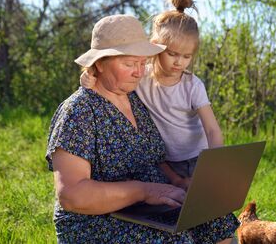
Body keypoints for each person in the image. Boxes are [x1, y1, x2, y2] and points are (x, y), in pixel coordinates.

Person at [46, 14, 238, 243]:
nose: (139, 72)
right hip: (98, 221)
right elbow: (72, 196)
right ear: (99, 63)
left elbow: (155, 159)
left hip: (146, 207)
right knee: (173, 239)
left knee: (217, 217)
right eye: (129, 64)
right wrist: (145, 191)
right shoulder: (78, 112)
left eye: (141, 63)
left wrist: (178, 183)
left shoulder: (136, 100)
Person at [80, 0, 224, 191]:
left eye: (186, 56)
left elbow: (212, 129)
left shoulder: (192, 85)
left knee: (204, 204)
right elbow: (112, 77)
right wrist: (89, 76)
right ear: (155, 47)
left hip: (196, 158)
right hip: (164, 161)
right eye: (172, 54)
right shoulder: (141, 76)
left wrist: (215, 163)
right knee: (173, 207)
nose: (178, 62)